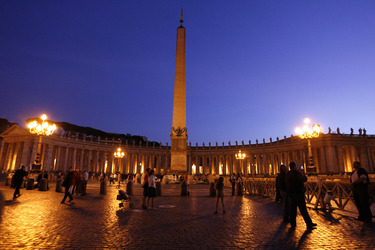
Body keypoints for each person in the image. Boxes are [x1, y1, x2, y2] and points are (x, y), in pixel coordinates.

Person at [286, 162, 317, 229]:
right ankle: (309, 223)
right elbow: (304, 179)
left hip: (291, 194)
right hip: (298, 193)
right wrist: (303, 174)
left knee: (292, 210)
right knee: (303, 210)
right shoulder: (297, 174)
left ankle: (293, 224)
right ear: (294, 167)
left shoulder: (288, 174)